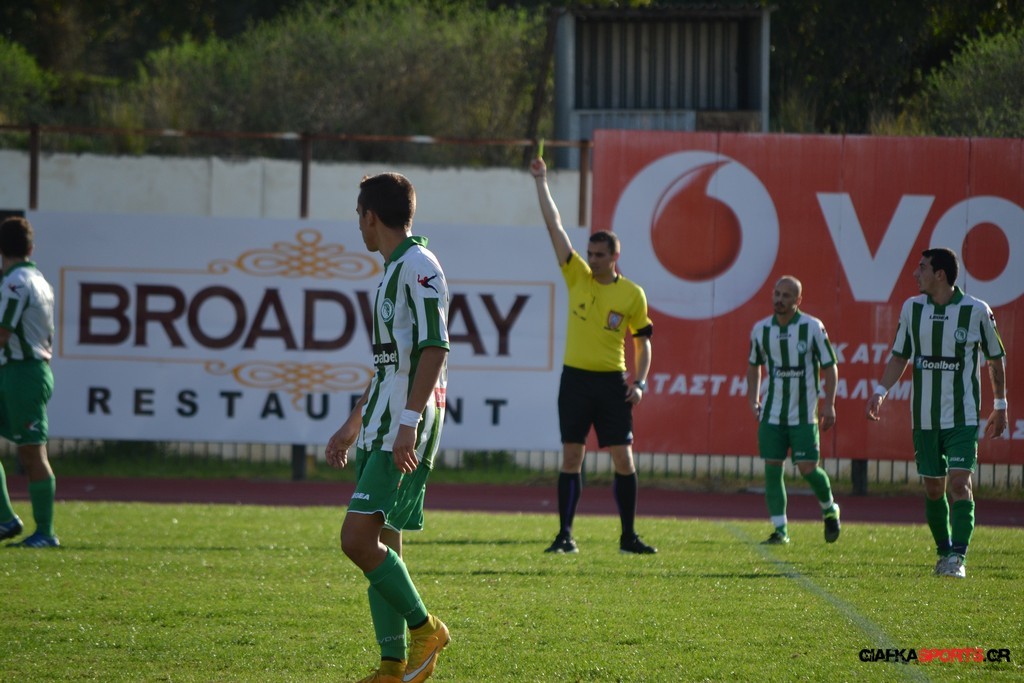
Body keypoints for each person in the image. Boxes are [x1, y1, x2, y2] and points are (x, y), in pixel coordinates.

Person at [325, 173, 450, 683]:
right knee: (383, 543)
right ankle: (392, 666)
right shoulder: (392, 271)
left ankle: (427, 628)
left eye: (359, 216)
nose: (359, 225)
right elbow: (388, 364)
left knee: (356, 539)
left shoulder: (419, 266)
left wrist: (408, 424)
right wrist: (355, 420)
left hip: (402, 423)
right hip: (381, 420)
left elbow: (435, 347)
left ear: (371, 216)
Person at [529, 156, 656, 555]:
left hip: (611, 382)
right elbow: (554, 225)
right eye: (590, 253)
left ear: (615, 257)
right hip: (575, 380)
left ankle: (628, 537)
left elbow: (643, 341)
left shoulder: (632, 294)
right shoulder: (577, 276)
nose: (592, 259)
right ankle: (565, 536)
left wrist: (640, 382)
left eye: (599, 255)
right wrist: (541, 180)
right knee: (571, 457)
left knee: (623, 458)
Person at [867, 248, 1007, 579]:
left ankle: (957, 557)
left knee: (959, 483)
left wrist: (1000, 405)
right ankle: (943, 551)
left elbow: (995, 358)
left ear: (940, 274)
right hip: (925, 418)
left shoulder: (976, 311)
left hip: (962, 417)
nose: (916, 274)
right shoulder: (912, 308)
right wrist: (880, 391)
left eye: (922, 268)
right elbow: (899, 356)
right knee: (933, 489)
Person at [747, 276, 841, 545]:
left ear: (798, 300)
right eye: (777, 294)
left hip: (804, 414)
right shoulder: (761, 329)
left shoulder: (812, 327)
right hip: (772, 413)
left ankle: (829, 509)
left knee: (808, 468)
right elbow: (753, 366)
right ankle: (780, 530)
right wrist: (753, 399)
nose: (780, 299)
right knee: (772, 468)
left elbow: (830, 366)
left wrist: (829, 403)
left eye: (786, 295)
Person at [0, 216, 59, 548]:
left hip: (23, 374)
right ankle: (5, 518)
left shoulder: (15, 283)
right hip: (20, 371)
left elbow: (3, 332)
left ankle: (45, 533)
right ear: (31, 248)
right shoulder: (38, 279)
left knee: (32, 454)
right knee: (30, 453)